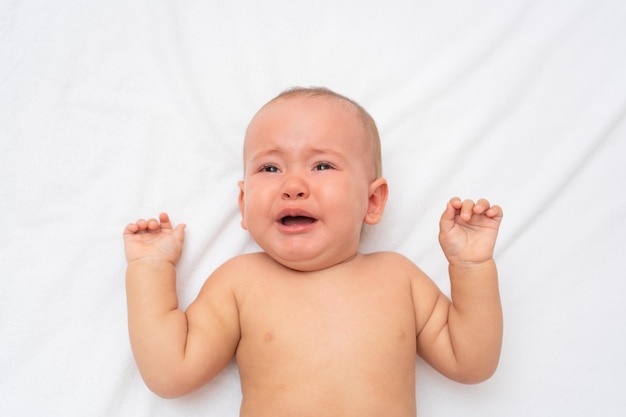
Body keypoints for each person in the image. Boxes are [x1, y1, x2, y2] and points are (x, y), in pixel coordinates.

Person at [123, 87, 503, 417]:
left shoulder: (398, 278)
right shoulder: (240, 283)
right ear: (243, 203)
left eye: (322, 165)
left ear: (372, 201)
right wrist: (149, 268)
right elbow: (171, 373)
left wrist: (471, 267)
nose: (293, 185)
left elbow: (472, 363)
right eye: (270, 168)